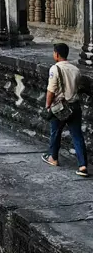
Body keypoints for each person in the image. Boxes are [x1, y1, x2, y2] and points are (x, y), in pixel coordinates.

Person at [41, 43, 88, 177]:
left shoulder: (55, 69)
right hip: (74, 105)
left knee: (55, 132)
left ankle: (53, 157)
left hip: (60, 107)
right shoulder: (75, 69)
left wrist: (48, 104)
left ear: (56, 54)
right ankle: (83, 165)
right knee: (77, 135)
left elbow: (51, 90)